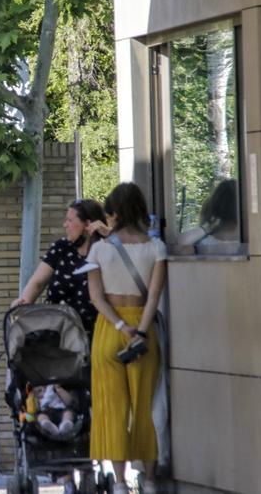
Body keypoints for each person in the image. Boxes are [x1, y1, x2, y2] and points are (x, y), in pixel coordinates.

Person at [83, 183, 167, 494]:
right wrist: (140, 331)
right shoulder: (156, 247)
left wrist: (121, 327)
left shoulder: (99, 249)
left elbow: (96, 297)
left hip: (110, 329)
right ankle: (149, 480)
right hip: (143, 331)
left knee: (113, 408)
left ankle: (118, 483)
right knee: (144, 407)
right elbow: (154, 295)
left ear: (115, 212)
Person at [11, 199, 106, 337]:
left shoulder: (107, 250)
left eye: (70, 220)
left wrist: (109, 234)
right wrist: (22, 304)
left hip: (96, 336)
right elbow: (37, 283)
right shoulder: (61, 247)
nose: (65, 225)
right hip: (58, 338)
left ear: (87, 224)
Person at [174, 179, 239, 255]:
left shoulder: (204, 242)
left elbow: (181, 243)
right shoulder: (203, 242)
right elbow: (181, 243)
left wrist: (206, 227)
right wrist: (207, 228)